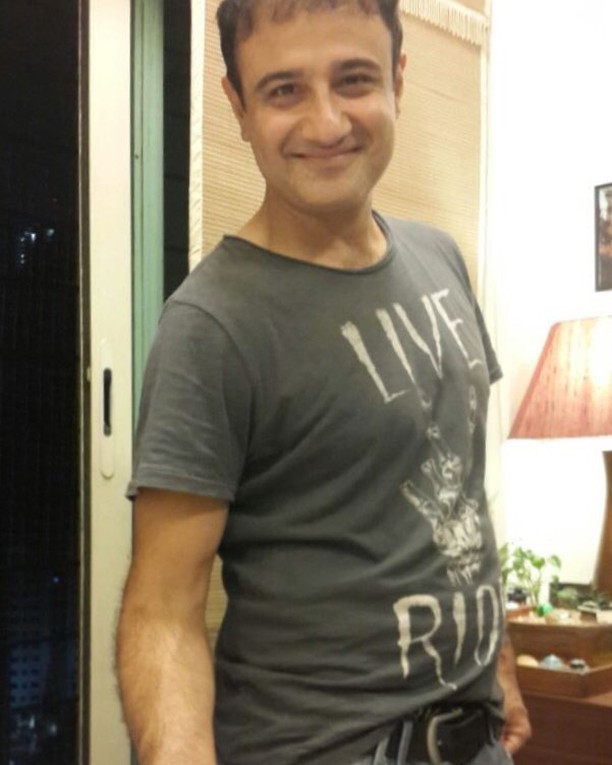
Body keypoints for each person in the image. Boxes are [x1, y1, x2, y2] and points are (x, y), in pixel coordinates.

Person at [115, 1, 531, 763]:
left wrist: (496, 655)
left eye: (354, 79)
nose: (327, 121)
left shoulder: (440, 258)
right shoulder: (212, 324)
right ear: (238, 104)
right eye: (284, 90)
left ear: (398, 77)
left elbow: (458, 486)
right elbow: (163, 610)